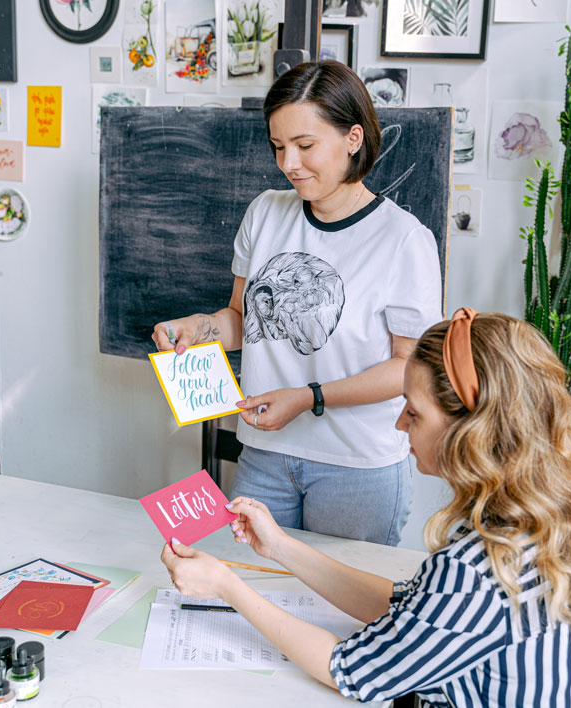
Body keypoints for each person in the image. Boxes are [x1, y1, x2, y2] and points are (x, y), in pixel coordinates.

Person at [162, 310, 571, 707]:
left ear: (468, 431)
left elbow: (350, 671)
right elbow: (410, 607)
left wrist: (226, 584)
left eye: (413, 412)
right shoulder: (541, 520)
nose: (399, 423)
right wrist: (283, 548)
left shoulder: (476, 569)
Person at [153, 60, 442, 546]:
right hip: (264, 453)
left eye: (305, 146)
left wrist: (310, 398)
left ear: (353, 138)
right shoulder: (266, 212)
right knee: (251, 592)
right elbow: (243, 320)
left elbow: (410, 366)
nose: (289, 163)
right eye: (278, 146)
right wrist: (199, 327)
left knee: (343, 612)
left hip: (356, 467)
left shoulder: (404, 239)